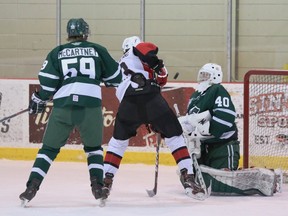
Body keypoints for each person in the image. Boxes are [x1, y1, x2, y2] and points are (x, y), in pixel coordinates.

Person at [19, 18, 122, 206]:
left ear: (68, 34)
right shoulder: (97, 50)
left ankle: (31, 188)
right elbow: (116, 77)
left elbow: (48, 83)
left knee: (48, 150)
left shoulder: (57, 52)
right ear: (86, 32)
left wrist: (39, 97)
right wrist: (103, 78)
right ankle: (98, 188)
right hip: (90, 107)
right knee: (93, 150)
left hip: (63, 106)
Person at [102, 36, 206, 201]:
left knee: (118, 142)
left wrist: (147, 117)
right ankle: (189, 180)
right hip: (150, 98)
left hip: (128, 104)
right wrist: (158, 64)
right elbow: (150, 54)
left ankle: (106, 181)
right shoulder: (137, 51)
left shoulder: (119, 65)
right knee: (174, 136)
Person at [178, 63, 283, 196]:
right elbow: (192, 120)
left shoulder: (217, 90)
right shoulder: (195, 96)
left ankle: (268, 178)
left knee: (222, 181)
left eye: (206, 75)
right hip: (203, 147)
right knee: (193, 179)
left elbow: (226, 115)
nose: (203, 78)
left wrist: (207, 130)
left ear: (215, 76)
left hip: (223, 146)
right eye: (202, 74)